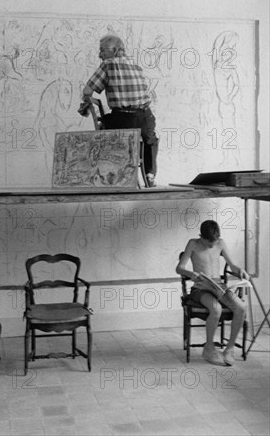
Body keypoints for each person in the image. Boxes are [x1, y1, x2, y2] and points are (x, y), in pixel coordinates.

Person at [81, 34, 159, 187]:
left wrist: (86, 103)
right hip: (145, 118)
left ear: (115, 50)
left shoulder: (108, 65)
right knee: (151, 140)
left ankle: (111, 172)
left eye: (103, 50)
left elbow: (87, 90)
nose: (99, 55)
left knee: (107, 122)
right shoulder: (136, 66)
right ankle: (149, 175)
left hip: (124, 121)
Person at [176, 220, 249, 366]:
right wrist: (191, 274)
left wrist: (240, 271)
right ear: (200, 236)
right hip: (201, 287)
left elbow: (233, 265)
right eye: (209, 242)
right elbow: (179, 268)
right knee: (216, 309)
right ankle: (209, 348)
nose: (212, 245)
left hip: (219, 286)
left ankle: (229, 350)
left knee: (241, 308)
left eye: (214, 242)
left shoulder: (220, 243)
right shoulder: (193, 244)